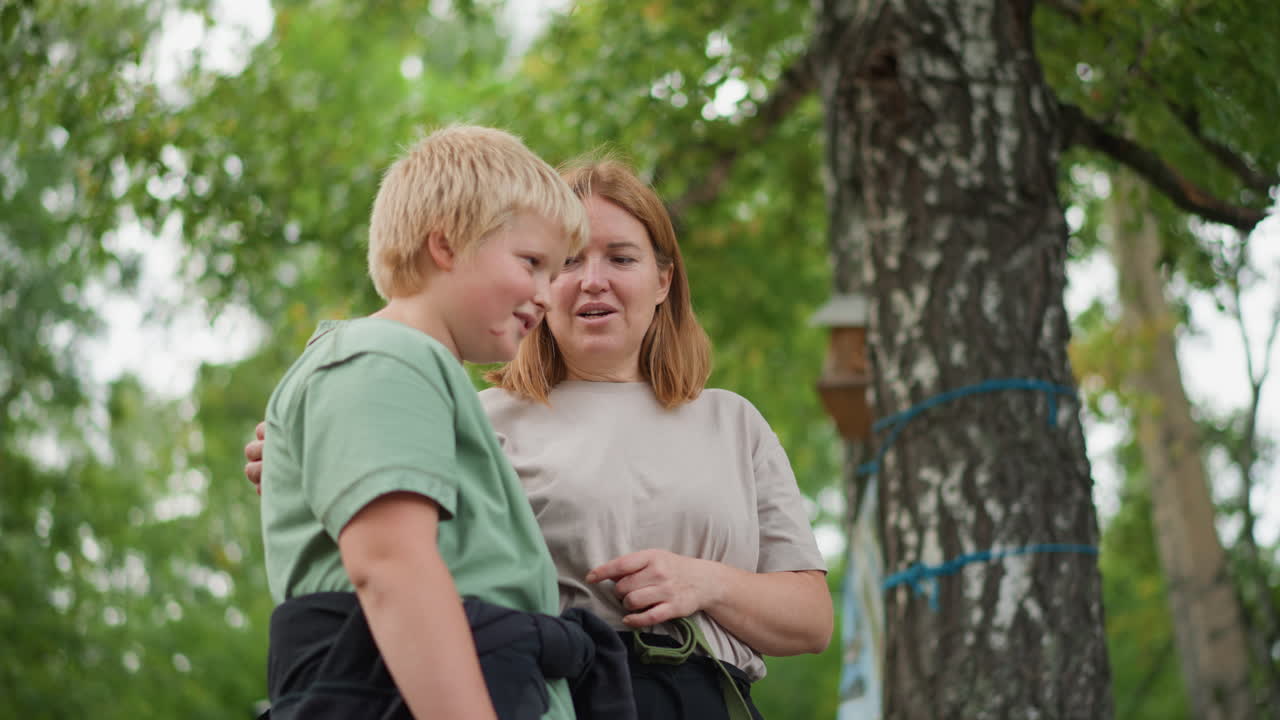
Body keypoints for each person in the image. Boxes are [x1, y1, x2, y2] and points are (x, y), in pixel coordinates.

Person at [247, 157, 832, 719]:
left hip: (710, 697)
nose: (591, 282)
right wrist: (319, 452)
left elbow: (812, 621)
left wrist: (708, 583)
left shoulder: (733, 422)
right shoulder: (471, 414)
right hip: (554, 692)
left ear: (663, 280)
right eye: (564, 263)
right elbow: (397, 561)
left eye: (621, 258)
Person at [256, 124, 598, 720]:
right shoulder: (384, 358)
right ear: (446, 245)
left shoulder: (416, 371)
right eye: (532, 262)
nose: (547, 294)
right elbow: (392, 567)